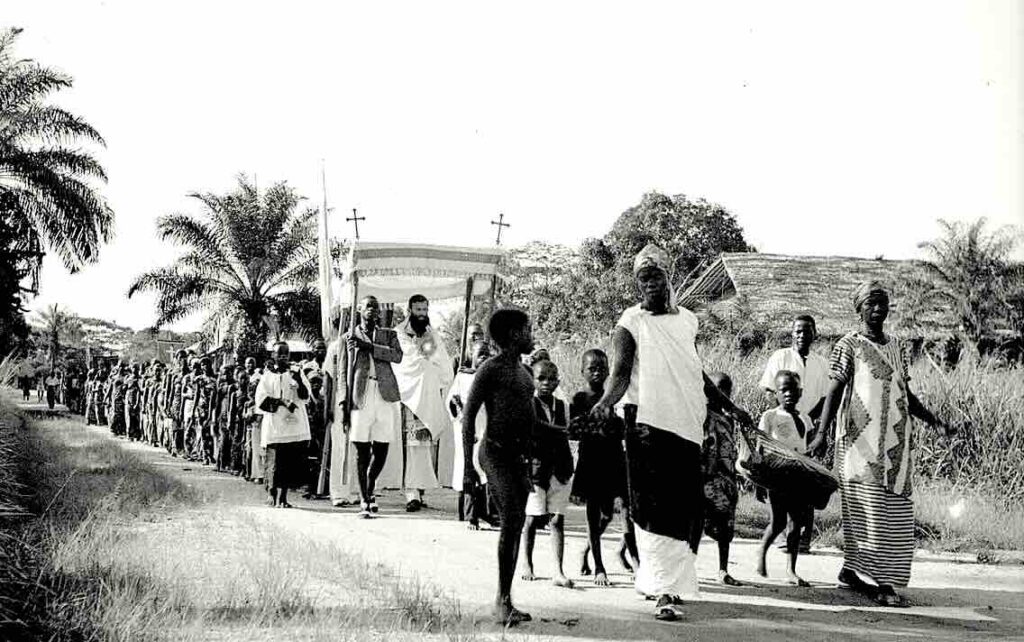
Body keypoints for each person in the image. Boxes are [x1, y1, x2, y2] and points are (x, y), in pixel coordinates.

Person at [590, 244, 753, 622]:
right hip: (647, 425)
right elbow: (620, 375)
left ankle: (670, 584)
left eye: (655, 275)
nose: (648, 282)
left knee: (683, 509)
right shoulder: (629, 323)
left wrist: (729, 406)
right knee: (652, 508)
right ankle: (663, 590)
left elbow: (695, 371)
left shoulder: (687, 321)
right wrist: (603, 404)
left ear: (669, 277)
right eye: (642, 277)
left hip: (686, 425)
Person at [809, 281, 952, 607]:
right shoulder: (849, 345)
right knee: (868, 513)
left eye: (883, 303)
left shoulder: (898, 347)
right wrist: (820, 435)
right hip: (860, 446)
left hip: (896, 448)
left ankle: (851, 571)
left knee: (898, 514)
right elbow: (833, 392)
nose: (878, 309)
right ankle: (882, 583)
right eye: (871, 304)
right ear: (858, 308)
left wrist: (936, 422)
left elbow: (907, 395)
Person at [462, 308, 536, 627]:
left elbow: (532, 422)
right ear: (512, 335)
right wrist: (467, 467)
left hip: (516, 459)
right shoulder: (490, 370)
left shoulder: (525, 372)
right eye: (527, 329)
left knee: (515, 523)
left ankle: (506, 599)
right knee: (513, 519)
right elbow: (468, 418)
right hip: (493, 453)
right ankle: (502, 601)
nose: (532, 334)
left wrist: (565, 431)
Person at [760, 314, 830, 553]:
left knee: (807, 483)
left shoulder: (821, 363)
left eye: (807, 331)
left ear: (815, 334)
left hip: (807, 425)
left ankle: (804, 538)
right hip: (782, 427)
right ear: (792, 334)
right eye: (798, 331)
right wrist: (784, 415)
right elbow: (771, 390)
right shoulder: (780, 357)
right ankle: (786, 535)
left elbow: (825, 397)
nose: (802, 335)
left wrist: (811, 421)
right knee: (783, 484)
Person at [570, 349, 635, 586]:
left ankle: (589, 549)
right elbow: (574, 431)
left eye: (602, 368)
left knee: (611, 514)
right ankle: (599, 565)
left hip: (615, 459)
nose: (597, 372)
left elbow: (624, 431)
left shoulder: (616, 396)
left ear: (609, 371)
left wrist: (618, 421)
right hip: (591, 461)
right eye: (591, 368)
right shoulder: (579, 400)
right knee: (593, 513)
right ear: (582, 372)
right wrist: (596, 421)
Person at [338, 296, 404, 517]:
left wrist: (370, 347)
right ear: (359, 309)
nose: (372, 310)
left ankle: (369, 483)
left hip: (384, 394)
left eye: (376, 307)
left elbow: (397, 356)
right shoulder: (348, 337)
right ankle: (366, 499)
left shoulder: (388, 334)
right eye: (368, 306)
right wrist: (342, 402)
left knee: (383, 446)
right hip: (360, 396)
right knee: (361, 448)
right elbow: (342, 374)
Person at [393, 294, 453, 512]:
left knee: (424, 446)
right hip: (410, 397)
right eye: (418, 310)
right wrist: (426, 368)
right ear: (410, 310)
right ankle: (411, 493)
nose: (421, 314)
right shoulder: (401, 332)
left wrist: (432, 371)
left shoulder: (430, 333)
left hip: (428, 395)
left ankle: (420, 489)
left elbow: (438, 361)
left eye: (424, 310)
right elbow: (406, 362)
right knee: (411, 446)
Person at [754, 371, 814, 587]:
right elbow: (760, 448)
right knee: (778, 521)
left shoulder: (805, 419)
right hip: (777, 477)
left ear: (800, 392)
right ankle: (762, 550)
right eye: (783, 390)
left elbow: (810, 447)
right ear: (775, 394)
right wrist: (759, 479)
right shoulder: (770, 416)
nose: (788, 394)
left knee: (797, 524)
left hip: (799, 478)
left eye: (793, 389)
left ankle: (791, 569)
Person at [520, 360, 575, 589]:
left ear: (558, 381)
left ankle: (558, 570)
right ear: (533, 380)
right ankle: (527, 563)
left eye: (551, 379)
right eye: (541, 378)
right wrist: (565, 430)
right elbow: (538, 427)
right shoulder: (528, 405)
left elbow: (568, 436)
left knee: (557, 520)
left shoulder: (562, 406)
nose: (546, 383)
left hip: (559, 469)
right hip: (536, 469)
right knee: (532, 519)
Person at [256, 341, 312, 508]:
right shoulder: (267, 376)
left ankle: (284, 497)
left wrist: (298, 382)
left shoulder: (296, 372)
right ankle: (272, 493)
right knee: (274, 461)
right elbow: (261, 400)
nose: (282, 357)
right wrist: (281, 402)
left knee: (289, 461)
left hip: (293, 426)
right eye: (279, 354)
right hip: (275, 425)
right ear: (273, 356)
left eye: (285, 354)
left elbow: (306, 396)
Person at [700, 372, 743, 586]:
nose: (718, 394)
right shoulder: (700, 415)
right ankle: (687, 569)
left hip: (725, 480)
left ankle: (723, 569)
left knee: (725, 528)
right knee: (695, 526)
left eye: (724, 390)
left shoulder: (729, 420)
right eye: (715, 389)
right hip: (703, 479)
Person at [446, 340, 493, 527]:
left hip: (485, 427)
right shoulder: (463, 378)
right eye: (480, 354)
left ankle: (486, 513)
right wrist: (460, 411)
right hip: (466, 429)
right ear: (471, 356)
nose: (484, 358)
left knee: (485, 470)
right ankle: (470, 515)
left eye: (487, 354)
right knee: (468, 470)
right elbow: (451, 400)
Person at [164, 350, 189, 457]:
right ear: (176, 359)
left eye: (184, 357)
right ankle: (174, 446)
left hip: (186, 402)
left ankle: (183, 448)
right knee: (175, 424)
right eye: (180, 357)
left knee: (184, 425)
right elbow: (169, 390)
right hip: (176, 401)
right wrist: (166, 404)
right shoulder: (172, 373)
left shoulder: (189, 373)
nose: (182, 359)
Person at [214, 364, 235, 472]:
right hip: (223, 415)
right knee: (223, 440)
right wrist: (215, 418)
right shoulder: (221, 388)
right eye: (224, 374)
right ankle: (220, 463)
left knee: (230, 441)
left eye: (228, 373)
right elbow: (217, 404)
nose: (226, 376)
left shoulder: (235, 386)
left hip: (232, 415)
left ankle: (228, 464)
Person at [108, 363, 128, 436]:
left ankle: (120, 429)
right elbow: (110, 388)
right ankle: (113, 429)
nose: (121, 369)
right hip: (115, 397)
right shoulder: (114, 377)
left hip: (122, 397)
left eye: (122, 367)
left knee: (121, 414)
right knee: (115, 413)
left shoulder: (125, 378)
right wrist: (106, 397)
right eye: (120, 367)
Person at [125, 363, 143, 441]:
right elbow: (124, 388)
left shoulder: (139, 379)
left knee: (135, 418)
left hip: (135, 399)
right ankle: (129, 434)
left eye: (135, 368)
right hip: (128, 399)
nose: (134, 369)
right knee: (128, 417)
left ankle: (136, 435)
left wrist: (137, 403)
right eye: (133, 368)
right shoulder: (128, 378)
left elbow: (139, 391)